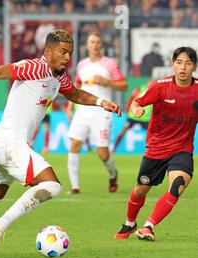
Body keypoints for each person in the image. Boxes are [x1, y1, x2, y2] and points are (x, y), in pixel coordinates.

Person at [0, 29, 121, 256]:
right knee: (52, 186)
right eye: (62, 52)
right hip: (10, 142)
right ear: (48, 51)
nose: (67, 58)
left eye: (70, 53)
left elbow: (76, 95)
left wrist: (102, 102)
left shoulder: (58, 77)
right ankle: (0, 225)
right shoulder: (34, 67)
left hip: (3, 142)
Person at [115, 47, 198, 241]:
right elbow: (138, 102)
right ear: (172, 64)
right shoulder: (160, 87)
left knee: (178, 185)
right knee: (140, 190)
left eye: (187, 63)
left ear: (194, 67)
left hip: (182, 150)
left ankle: (148, 226)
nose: (183, 67)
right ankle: (129, 224)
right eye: (179, 62)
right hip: (156, 149)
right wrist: (136, 109)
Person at [66, 32, 127, 195]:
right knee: (74, 146)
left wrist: (107, 81)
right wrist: (70, 106)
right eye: (92, 42)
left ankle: (113, 174)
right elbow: (77, 86)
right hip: (83, 110)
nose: (94, 45)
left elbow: (123, 85)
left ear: (101, 45)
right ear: (87, 45)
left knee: (102, 153)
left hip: (102, 112)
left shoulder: (110, 64)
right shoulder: (81, 65)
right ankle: (75, 187)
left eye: (97, 42)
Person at [111, 80, 155, 154]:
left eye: (153, 84)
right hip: (133, 116)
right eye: (150, 83)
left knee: (152, 136)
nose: (151, 85)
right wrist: (128, 111)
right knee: (122, 132)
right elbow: (131, 99)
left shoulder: (155, 92)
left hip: (146, 118)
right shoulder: (139, 90)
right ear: (147, 83)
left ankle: (152, 151)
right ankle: (113, 149)